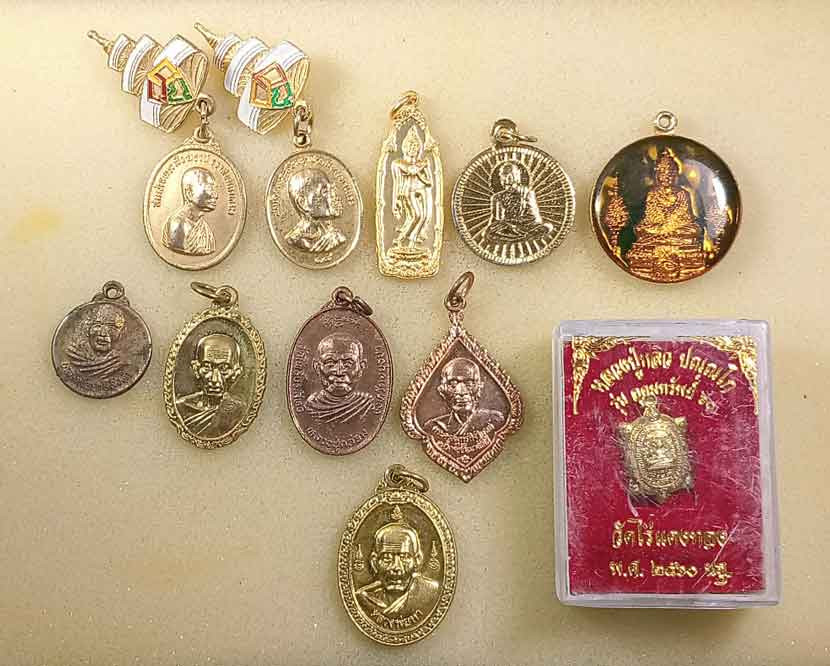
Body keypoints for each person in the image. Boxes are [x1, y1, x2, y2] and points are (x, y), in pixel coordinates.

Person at [356, 511, 440, 619]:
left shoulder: (430, 592)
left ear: (417, 560)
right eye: (387, 558)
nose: (396, 567)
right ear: (374, 562)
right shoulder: (364, 598)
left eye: (404, 557)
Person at [176, 333, 246, 437]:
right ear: (196, 369)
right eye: (207, 367)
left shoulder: (238, 411)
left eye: (224, 368)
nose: (214, 379)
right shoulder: (182, 407)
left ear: (236, 373)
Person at [425, 357, 505, 437]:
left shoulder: (494, 419)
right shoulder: (435, 426)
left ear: (479, 386)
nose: (461, 392)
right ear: (442, 388)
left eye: (469, 383)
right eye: (453, 384)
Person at [306, 333, 375, 423]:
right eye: (330, 363)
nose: (339, 372)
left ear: (361, 367)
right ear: (317, 367)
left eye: (348, 364)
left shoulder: (367, 404)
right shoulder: (311, 405)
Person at [390, 126, 433, 256]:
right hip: (408, 192)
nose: (413, 149)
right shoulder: (398, 163)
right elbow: (402, 177)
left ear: (419, 149)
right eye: (410, 146)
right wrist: (395, 201)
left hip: (421, 190)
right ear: (405, 148)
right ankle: (401, 239)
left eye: (415, 146)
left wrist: (419, 170)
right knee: (417, 215)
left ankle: (412, 242)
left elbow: (429, 182)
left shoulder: (423, 163)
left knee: (425, 216)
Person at [285, 168, 346, 253]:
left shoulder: (336, 237)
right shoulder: (297, 240)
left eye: (331, 190)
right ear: (303, 203)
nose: (334, 196)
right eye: (325, 191)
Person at [486, 161, 550, 241]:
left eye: (510, 176)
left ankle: (521, 236)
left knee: (548, 227)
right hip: (507, 228)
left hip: (525, 226)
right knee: (491, 232)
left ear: (517, 177)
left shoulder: (527, 193)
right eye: (503, 176)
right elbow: (497, 220)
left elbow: (534, 217)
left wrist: (516, 223)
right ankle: (525, 237)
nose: (506, 179)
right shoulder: (497, 197)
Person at [162, 166, 218, 256]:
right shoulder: (177, 225)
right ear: (189, 193)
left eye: (215, 189)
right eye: (209, 188)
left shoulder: (202, 225)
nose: (215, 195)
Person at [65, 304, 126, 378]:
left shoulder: (122, 361)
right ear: (86, 329)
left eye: (111, 327)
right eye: (97, 326)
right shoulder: (72, 354)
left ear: (121, 333)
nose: (103, 334)